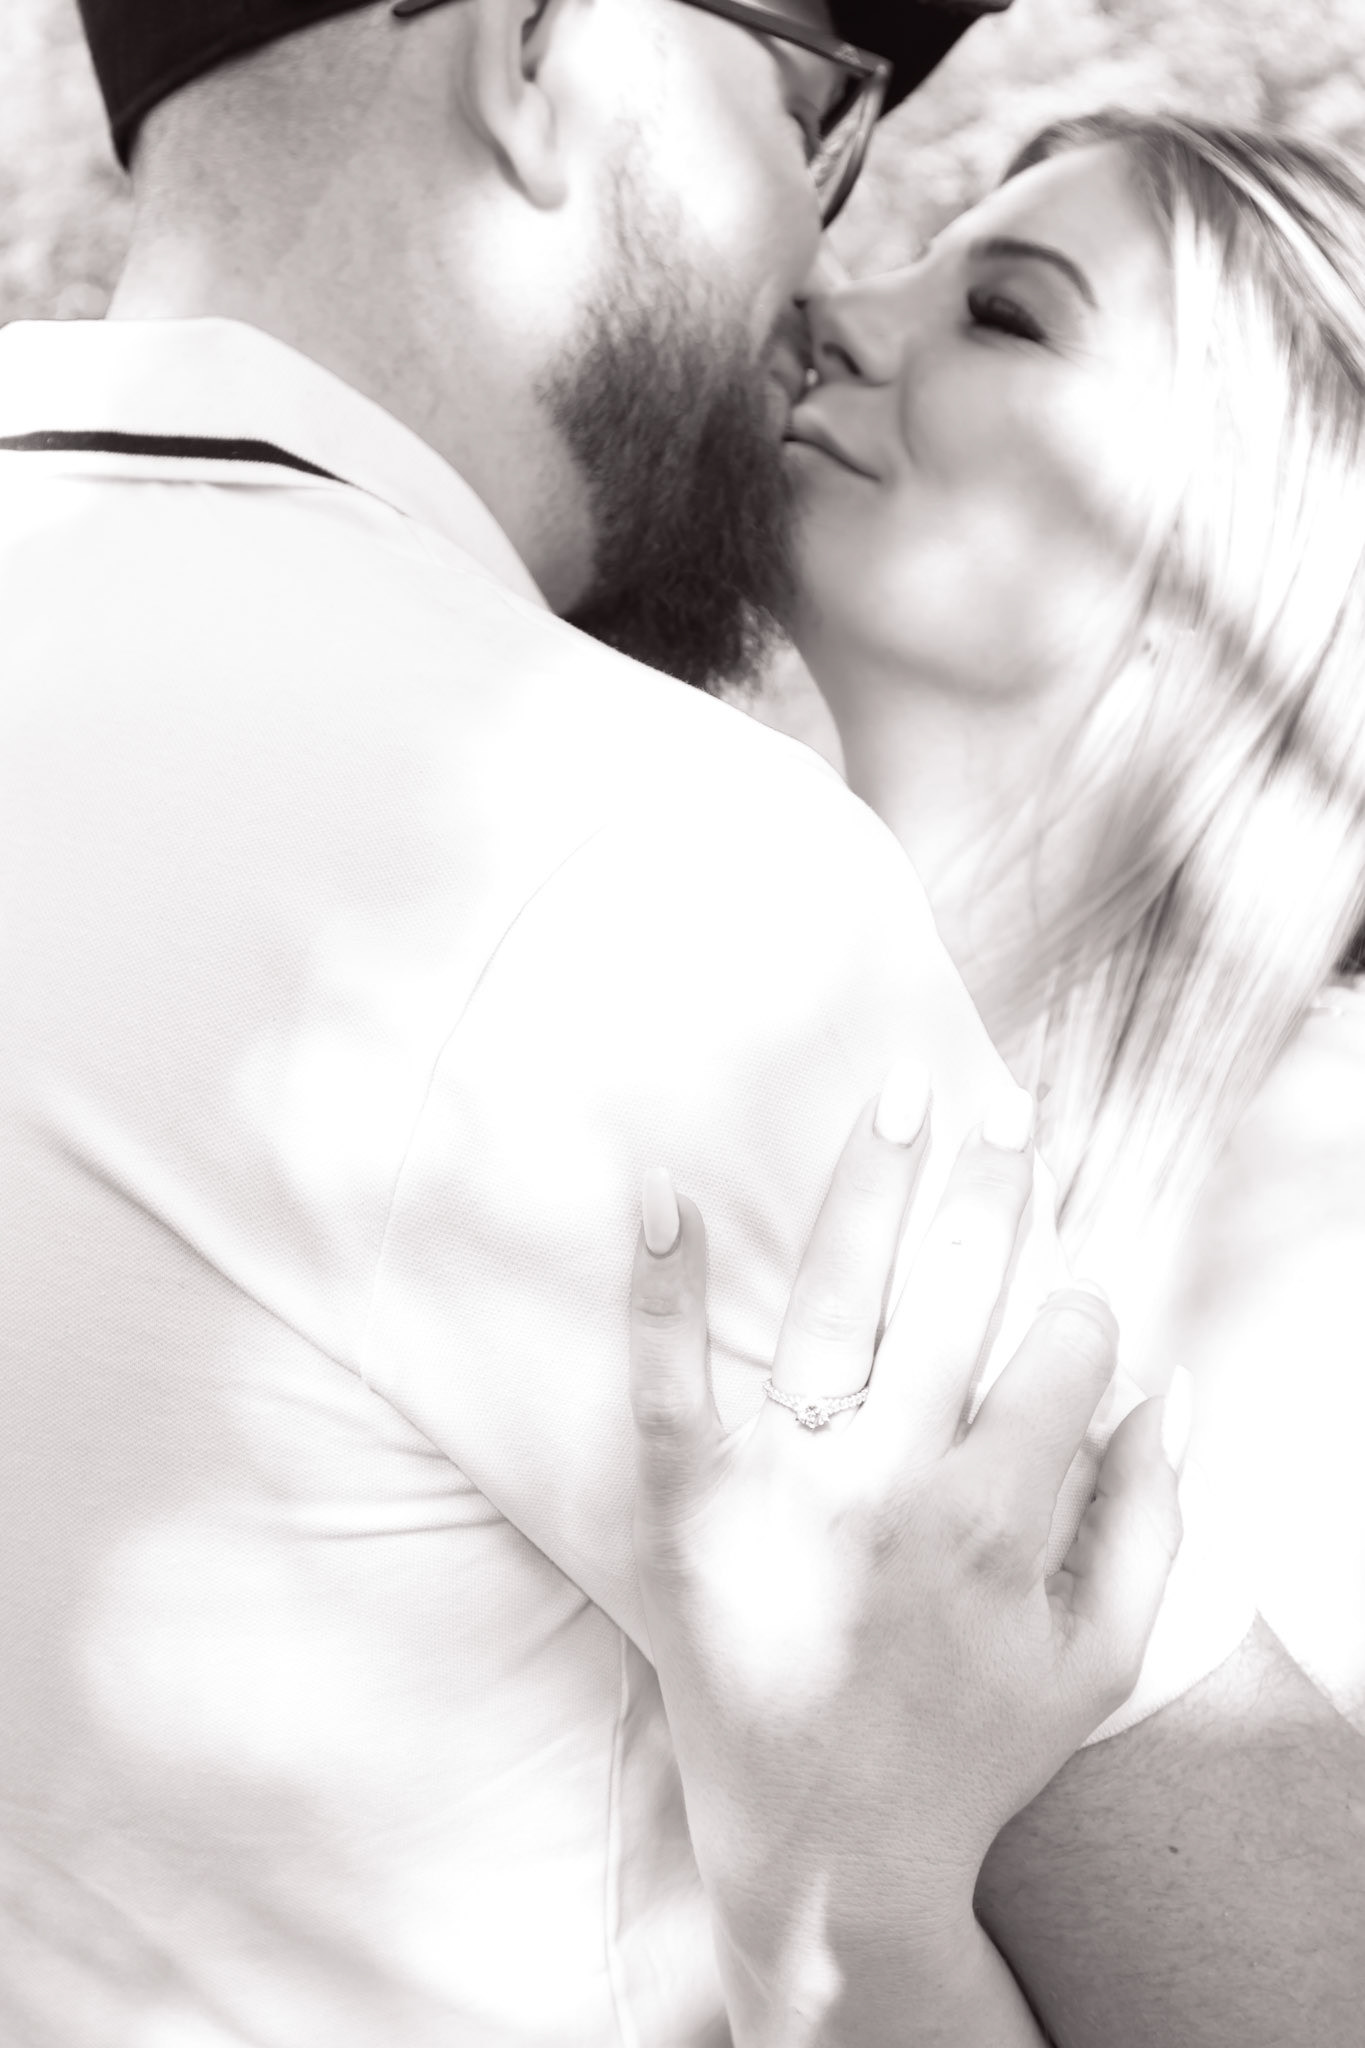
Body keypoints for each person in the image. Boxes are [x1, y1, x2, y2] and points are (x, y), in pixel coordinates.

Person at [0, 3, 1221, 2044]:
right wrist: (842, 1911)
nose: (821, 276)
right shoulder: (601, 838)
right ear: (538, 52)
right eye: (812, 113)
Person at [633, 110, 1365, 2047]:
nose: (828, 304)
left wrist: (839, 1894)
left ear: (1238, 542)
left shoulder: (1320, 1212)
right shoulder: (719, 1051)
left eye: (1009, 312)